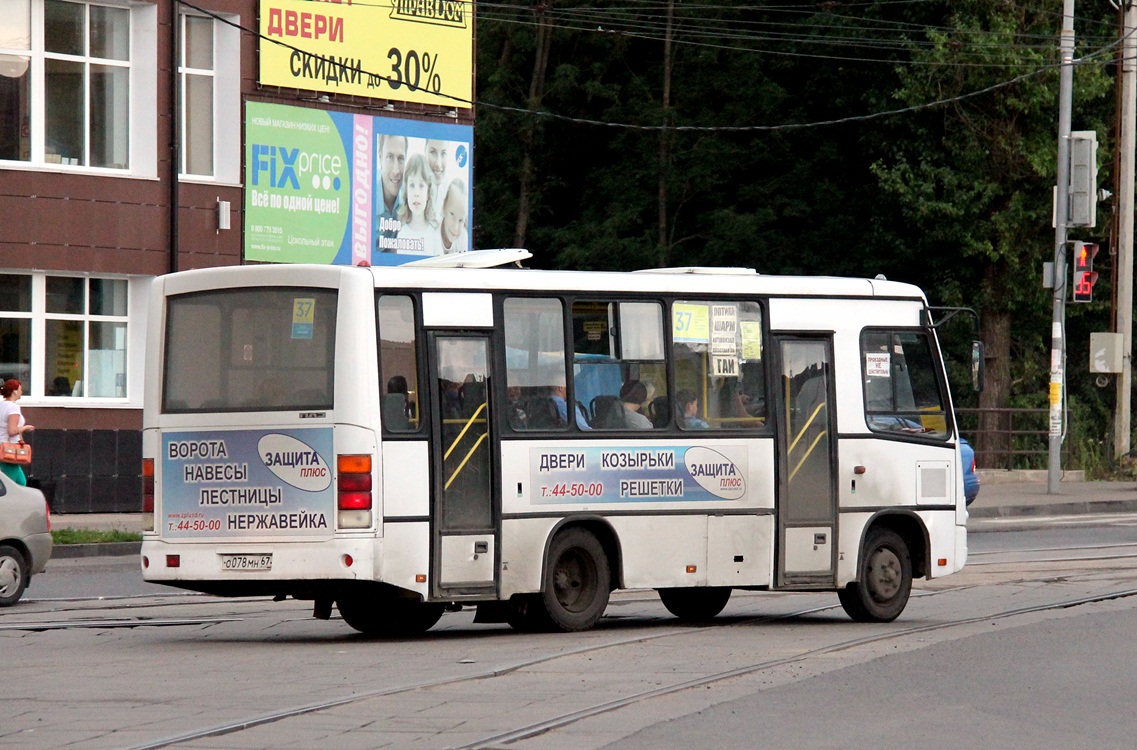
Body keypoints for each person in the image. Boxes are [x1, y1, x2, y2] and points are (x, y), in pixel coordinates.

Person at [396, 154, 442, 256]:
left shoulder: (434, 234)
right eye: (412, 185)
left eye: (421, 186)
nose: (416, 193)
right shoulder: (402, 234)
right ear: (406, 191)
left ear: (428, 194)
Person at [375, 134, 407, 253]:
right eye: (389, 157)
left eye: (400, 159)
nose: (396, 170)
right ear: (380, 157)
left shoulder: (410, 197)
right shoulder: (365, 196)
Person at [1, 379, 34, 486]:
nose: (22, 392)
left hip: (2, 446)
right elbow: (12, 431)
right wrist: (25, 428)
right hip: (9, 450)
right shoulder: (13, 407)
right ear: (14, 391)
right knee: (8, 486)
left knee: (21, 483)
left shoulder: (1, 406)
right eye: (20, 389)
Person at [438, 177, 469, 255]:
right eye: (452, 214)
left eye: (461, 220)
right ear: (444, 206)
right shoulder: (432, 231)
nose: (455, 227)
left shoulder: (463, 237)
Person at [424, 139, 451, 224]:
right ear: (425, 151)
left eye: (443, 153)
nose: (438, 164)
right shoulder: (412, 189)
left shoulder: (451, 192)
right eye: (433, 152)